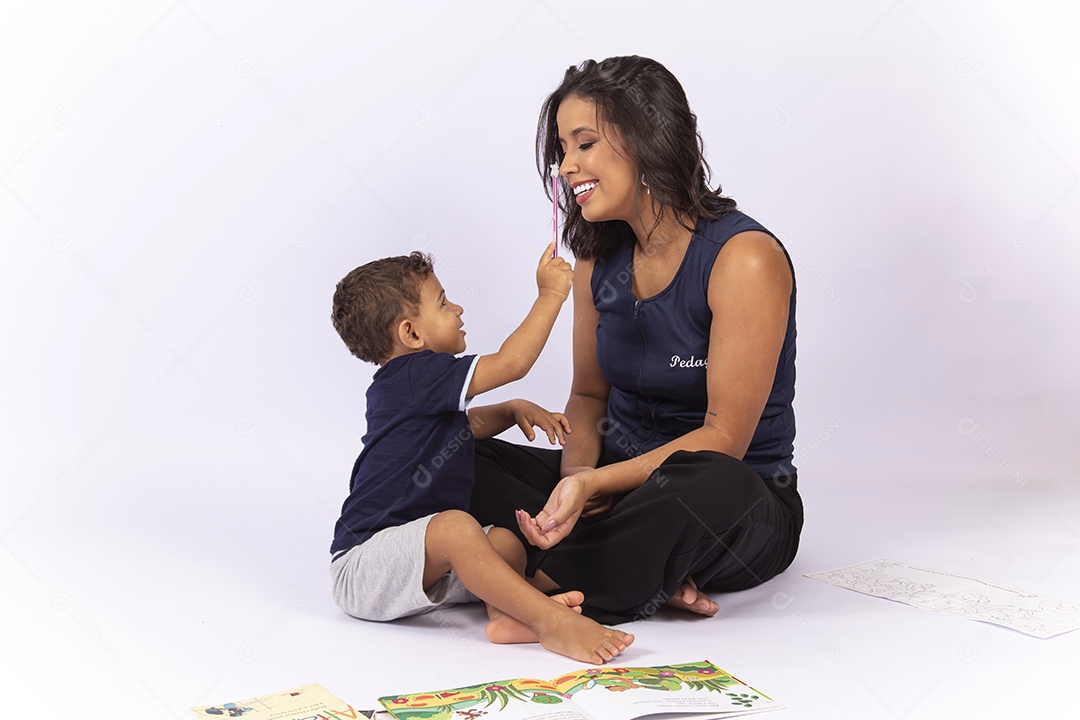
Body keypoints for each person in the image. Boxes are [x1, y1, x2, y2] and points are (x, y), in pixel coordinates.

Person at [469, 56, 804, 625]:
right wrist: (577, 482)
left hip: (731, 501)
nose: (566, 166)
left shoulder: (744, 259)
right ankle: (641, 571)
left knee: (710, 479)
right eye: (562, 149)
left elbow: (724, 438)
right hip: (613, 490)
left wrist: (599, 482)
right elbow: (589, 399)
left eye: (584, 143)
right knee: (449, 452)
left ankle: (533, 588)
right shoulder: (595, 259)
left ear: (648, 141)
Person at [328, 243, 633, 664]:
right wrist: (551, 295)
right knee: (457, 526)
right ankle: (550, 622)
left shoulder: (407, 389)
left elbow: (462, 430)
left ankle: (505, 617)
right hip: (364, 567)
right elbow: (512, 363)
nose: (458, 309)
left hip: (421, 563)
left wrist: (509, 410)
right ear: (411, 334)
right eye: (442, 303)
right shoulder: (416, 373)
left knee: (503, 541)